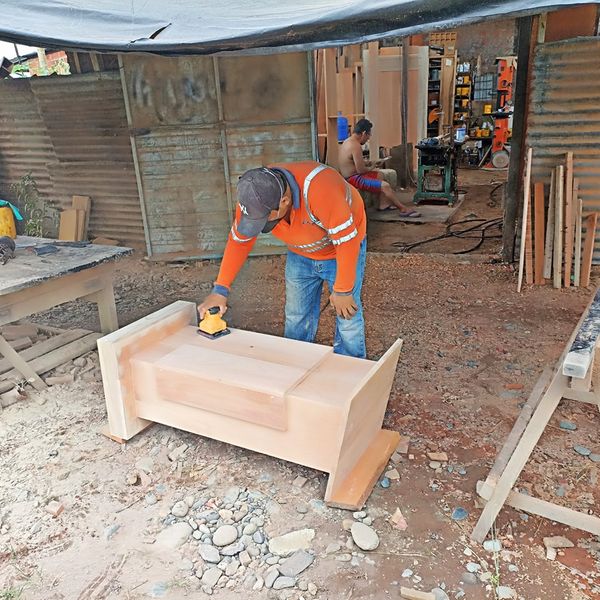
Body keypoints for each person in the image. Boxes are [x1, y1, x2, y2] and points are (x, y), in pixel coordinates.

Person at [198, 161, 368, 358]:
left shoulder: (321, 189)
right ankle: (296, 363)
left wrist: (343, 290)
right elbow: (239, 242)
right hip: (301, 252)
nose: (259, 223)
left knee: (347, 318)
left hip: (341, 250)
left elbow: (347, 242)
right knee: (296, 316)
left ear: (284, 201)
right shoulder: (254, 197)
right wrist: (220, 290)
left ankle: (352, 367)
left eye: (263, 218)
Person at [339, 118, 420, 217]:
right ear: (364, 133)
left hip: (351, 175)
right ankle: (403, 208)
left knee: (380, 175)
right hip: (353, 179)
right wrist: (372, 167)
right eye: (368, 136)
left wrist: (371, 163)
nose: (368, 139)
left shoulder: (348, 141)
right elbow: (361, 170)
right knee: (385, 186)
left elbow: (353, 162)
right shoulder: (355, 146)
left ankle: (383, 204)